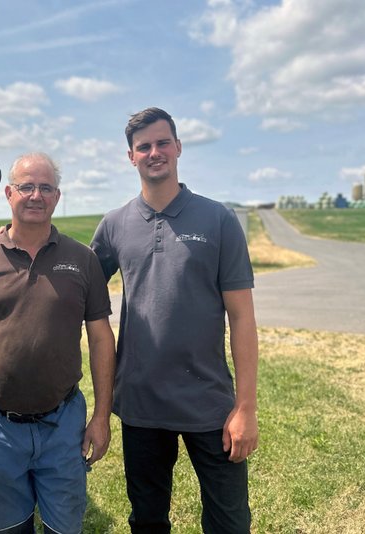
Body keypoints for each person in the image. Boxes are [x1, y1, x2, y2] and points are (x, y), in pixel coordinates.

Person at [90, 107, 259, 533]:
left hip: (209, 403)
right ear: (131, 156)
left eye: (163, 142)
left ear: (179, 147)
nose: (154, 152)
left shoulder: (218, 220)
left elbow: (242, 318)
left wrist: (245, 407)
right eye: (143, 146)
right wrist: (16, 237)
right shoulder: (114, 225)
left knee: (230, 522)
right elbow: (76, 283)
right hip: (141, 403)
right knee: (147, 520)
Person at [0, 152, 117, 534]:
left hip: (63, 424)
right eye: (27, 187)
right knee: (8, 529)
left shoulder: (82, 260)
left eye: (46, 188)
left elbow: (102, 338)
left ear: (57, 197)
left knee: (64, 528)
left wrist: (102, 416)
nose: (36, 195)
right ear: (9, 194)